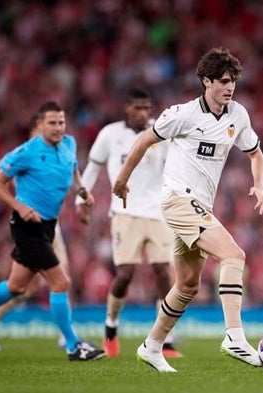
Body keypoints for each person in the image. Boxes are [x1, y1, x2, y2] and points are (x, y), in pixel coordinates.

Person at [113, 47, 263, 372]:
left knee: (187, 286)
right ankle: (235, 337)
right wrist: (122, 181)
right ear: (206, 81)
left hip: (200, 205)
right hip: (177, 200)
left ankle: (152, 346)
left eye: (233, 81)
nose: (230, 87)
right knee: (233, 255)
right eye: (224, 81)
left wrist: (259, 185)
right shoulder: (182, 114)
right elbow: (143, 141)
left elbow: (256, 154)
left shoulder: (238, 115)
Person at [0, 101, 105, 361]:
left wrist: (81, 189)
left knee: (16, 287)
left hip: (47, 225)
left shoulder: (69, 144)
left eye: (61, 123)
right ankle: (72, 345)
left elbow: (73, 168)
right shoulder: (27, 151)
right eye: (52, 123)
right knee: (61, 281)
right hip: (27, 226)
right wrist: (20, 207)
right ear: (40, 125)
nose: (58, 128)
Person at [75, 88, 182, 358]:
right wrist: (81, 200)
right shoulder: (110, 134)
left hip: (158, 213)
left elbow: (177, 164)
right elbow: (93, 167)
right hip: (125, 213)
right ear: (127, 108)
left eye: (147, 108)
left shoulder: (160, 133)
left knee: (163, 272)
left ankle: (164, 339)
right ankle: (111, 327)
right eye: (138, 108)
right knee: (125, 274)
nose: (144, 113)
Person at [0, 115, 71, 352]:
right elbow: (3, 186)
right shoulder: (27, 155)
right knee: (60, 276)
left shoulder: (52, 151)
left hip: (49, 225)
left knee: (23, 287)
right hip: (33, 226)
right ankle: (67, 337)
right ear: (37, 130)